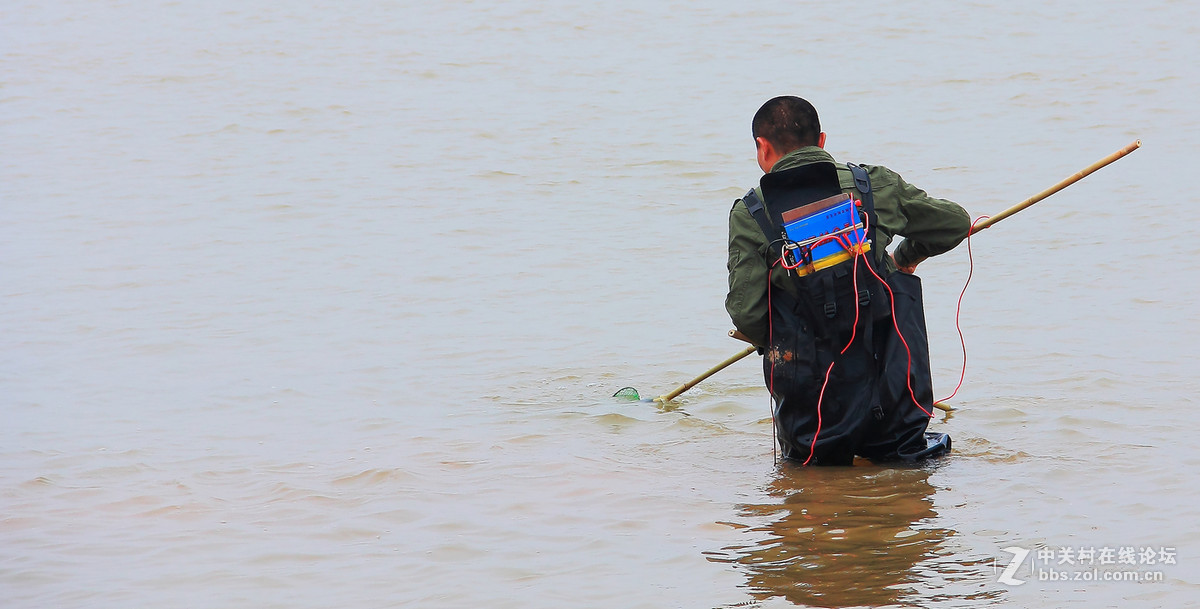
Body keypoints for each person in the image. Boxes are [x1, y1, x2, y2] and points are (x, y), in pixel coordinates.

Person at [726, 96, 970, 465]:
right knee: (906, 476)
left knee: (813, 486)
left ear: (761, 147)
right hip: (894, 395)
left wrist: (780, 333)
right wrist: (903, 260)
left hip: (812, 409)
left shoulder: (751, 213)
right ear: (821, 141)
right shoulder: (873, 185)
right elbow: (953, 224)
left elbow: (747, 314)